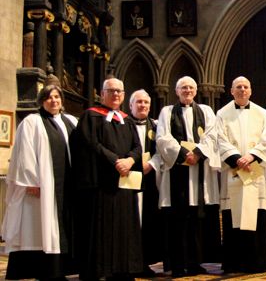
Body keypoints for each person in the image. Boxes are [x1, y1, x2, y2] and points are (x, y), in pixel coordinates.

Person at [2, 83, 78, 280]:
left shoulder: (69, 121)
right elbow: (24, 154)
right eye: (49, 97)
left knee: (63, 228)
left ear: (62, 100)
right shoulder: (32, 122)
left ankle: (61, 270)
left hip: (68, 187)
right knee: (42, 229)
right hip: (42, 187)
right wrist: (32, 181)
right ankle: (46, 272)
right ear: (42, 101)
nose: (54, 100)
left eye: (57, 97)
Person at [70, 77, 143, 280]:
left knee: (124, 228)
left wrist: (129, 160)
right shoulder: (90, 117)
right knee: (101, 228)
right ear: (102, 94)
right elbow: (91, 143)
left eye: (119, 91)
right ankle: (99, 270)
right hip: (100, 184)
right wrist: (115, 161)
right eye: (111, 91)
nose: (116, 94)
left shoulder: (126, 120)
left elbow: (137, 147)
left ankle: (123, 268)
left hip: (124, 184)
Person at [155, 76, 221, 277]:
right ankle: (177, 264)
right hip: (178, 170)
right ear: (176, 91)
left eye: (191, 87)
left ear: (196, 90)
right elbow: (163, 137)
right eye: (183, 87)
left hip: (198, 171)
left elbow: (212, 134)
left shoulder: (206, 111)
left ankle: (194, 262)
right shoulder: (167, 112)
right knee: (178, 220)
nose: (188, 91)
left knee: (196, 220)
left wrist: (198, 153)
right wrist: (184, 154)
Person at [217, 76, 266, 273]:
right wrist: (236, 159)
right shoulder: (222, 113)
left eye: (245, 87)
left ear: (250, 91)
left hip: (254, 172)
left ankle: (257, 262)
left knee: (255, 215)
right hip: (233, 170)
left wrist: (250, 157)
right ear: (231, 91)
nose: (242, 90)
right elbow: (220, 140)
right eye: (238, 87)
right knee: (234, 216)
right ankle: (235, 262)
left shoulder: (262, 113)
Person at [127, 89, 163, 275]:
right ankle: (128, 262)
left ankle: (144, 262)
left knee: (148, 221)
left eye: (145, 103)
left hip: (149, 178)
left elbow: (161, 151)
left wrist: (151, 164)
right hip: (129, 178)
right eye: (138, 102)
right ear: (131, 105)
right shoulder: (123, 124)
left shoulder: (156, 126)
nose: (142, 105)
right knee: (130, 220)